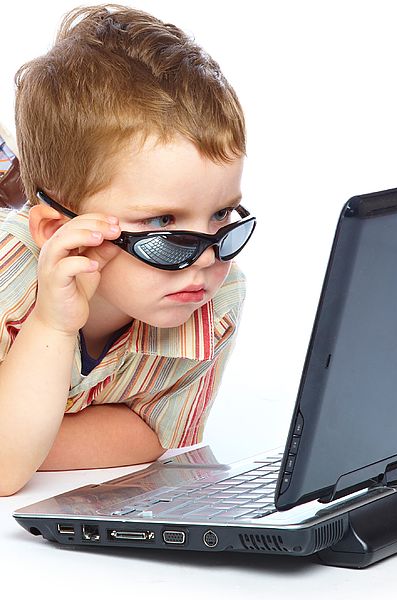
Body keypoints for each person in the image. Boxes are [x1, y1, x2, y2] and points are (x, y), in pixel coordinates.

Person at [0, 4, 254, 496]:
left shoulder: (217, 301)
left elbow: (158, 439)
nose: (206, 258)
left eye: (222, 216)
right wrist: (53, 322)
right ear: (57, 231)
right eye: (162, 223)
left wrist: (25, 439)